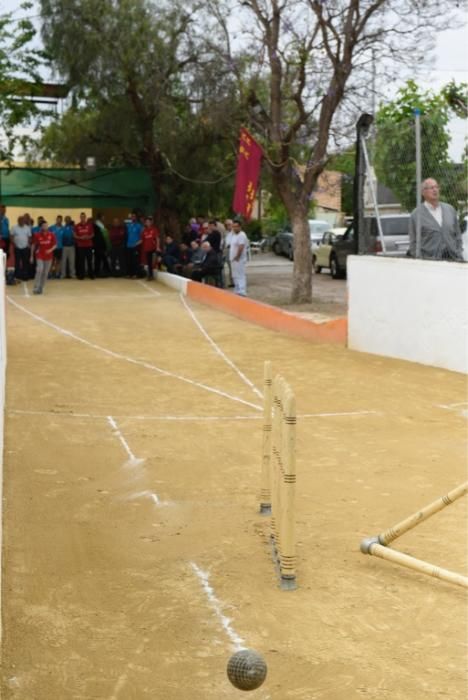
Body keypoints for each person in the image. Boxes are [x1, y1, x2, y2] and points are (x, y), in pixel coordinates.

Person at [409, 178, 463, 261]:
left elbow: (458, 235)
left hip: (453, 258)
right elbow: (413, 243)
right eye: (431, 188)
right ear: (423, 192)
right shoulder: (416, 214)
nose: (435, 190)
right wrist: (420, 259)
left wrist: (459, 252)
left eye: (436, 187)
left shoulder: (450, 209)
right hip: (430, 262)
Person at [30, 220, 57, 294]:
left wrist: (50, 250)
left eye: (46, 225)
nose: (45, 226)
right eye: (44, 225)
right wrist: (31, 256)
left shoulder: (52, 235)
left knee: (45, 273)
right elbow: (33, 245)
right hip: (40, 255)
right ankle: (36, 286)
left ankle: (41, 288)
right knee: (39, 269)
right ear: (41, 227)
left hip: (49, 256)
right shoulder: (37, 235)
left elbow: (55, 245)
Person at [229, 220, 249, 296]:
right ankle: (237, 289)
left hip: (239, 259)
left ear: (240, 227)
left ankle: (242, 290)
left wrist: (237, 256)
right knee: (235, 275)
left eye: (236, 226)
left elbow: (241, 247)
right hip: (233, 259)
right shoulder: (234, 235)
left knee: (240, 275)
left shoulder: (242, 235)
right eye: (233, 226)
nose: (235, 228)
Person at [74, 212, 95, 279]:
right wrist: (80, 238)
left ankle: (91, 275)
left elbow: (93, 234)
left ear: (85, 217)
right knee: (81, 261)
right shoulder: (77, 226)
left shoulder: (89, 225)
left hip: (89, 245)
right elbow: (74, 235)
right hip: (80, 246)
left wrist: (88, 237)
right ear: (80, 217)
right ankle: (81, 275)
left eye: (83, 217)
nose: (82, 218)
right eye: (81, 217)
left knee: (89, 260)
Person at [11, 215, 31, 281]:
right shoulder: (14, 227)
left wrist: (28, 244)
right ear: (18, 221)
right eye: (20, 220)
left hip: (25, 248)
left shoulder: (27, 228)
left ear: (24, 221)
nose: (21, 221)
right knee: (17, 262)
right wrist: (14, 244)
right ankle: (17, 276)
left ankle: (25, 276)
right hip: (17, 247)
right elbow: (11, 236)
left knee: (25, 262)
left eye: (22, 220)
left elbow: (29, 237)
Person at [125, 212, 143, 278]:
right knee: (129, 261)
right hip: (128, 246)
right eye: (132, 216)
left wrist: (138, 243)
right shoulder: (128, 225)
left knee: (135, 261)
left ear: (136, 218)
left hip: (135, 246)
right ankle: (130, 274)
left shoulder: (139, 226)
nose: (133, 218)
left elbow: (142, 237)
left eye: (134, 216)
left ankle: (136, 274)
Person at [223, 219, 234, 287]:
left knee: (232, 266)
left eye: (229, 224)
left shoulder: (235, 232)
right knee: (228, 266)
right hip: (226, 250)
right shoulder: (225, 233)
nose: (228, 226)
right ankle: (230, 281)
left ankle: (233, 281)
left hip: (232, 249)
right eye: (226, 225)